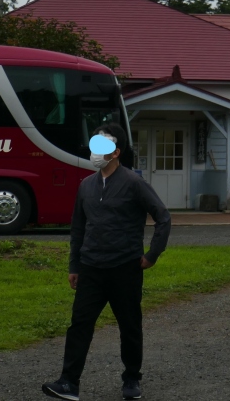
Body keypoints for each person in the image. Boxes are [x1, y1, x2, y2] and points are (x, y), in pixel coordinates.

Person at [42, 123, 172, 401]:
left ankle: (131, 379)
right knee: (80, 324)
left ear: (116, 152)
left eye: (101, 147)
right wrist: (74, 265)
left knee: (129, 325)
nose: (95, 152)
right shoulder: (86, 186)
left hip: (125, 268)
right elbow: (78, 228)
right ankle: (68, 382)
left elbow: (163, 217)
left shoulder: (134, 183)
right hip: (91, 268)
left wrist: (152, 255)